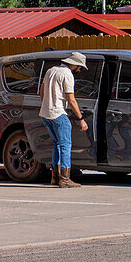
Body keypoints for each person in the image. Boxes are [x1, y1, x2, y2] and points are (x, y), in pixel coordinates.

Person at [39, 51, 88, 188]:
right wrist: (81, 118)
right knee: (65, 145)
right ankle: (65, 178)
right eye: (79, 67)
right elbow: (71, 99)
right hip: (59, 114)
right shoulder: (67, 75)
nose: (79, 70)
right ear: (74, 65)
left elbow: (41, 90)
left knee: (56, 144)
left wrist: (46, 104)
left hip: (45, 114)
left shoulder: (51, 70)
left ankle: (54, 176)